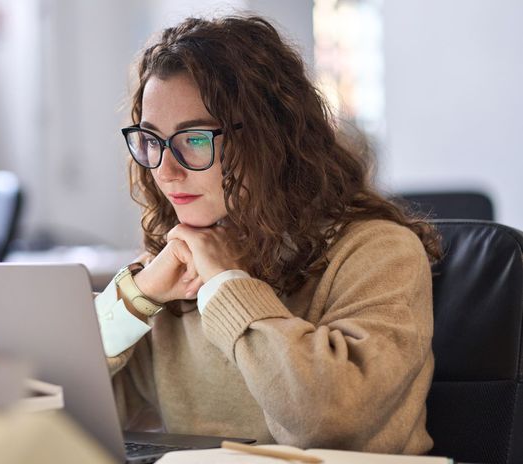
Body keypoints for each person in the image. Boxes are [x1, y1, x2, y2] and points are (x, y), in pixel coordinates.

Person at [93, 15, 442, 454]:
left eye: (195, 139)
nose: (166, 169)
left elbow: (326, 423)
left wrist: (226, 285)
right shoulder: (176, 266)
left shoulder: (379, 253)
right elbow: (53, 401)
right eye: (151, 140)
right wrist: (136, 296)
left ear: (269, 138)